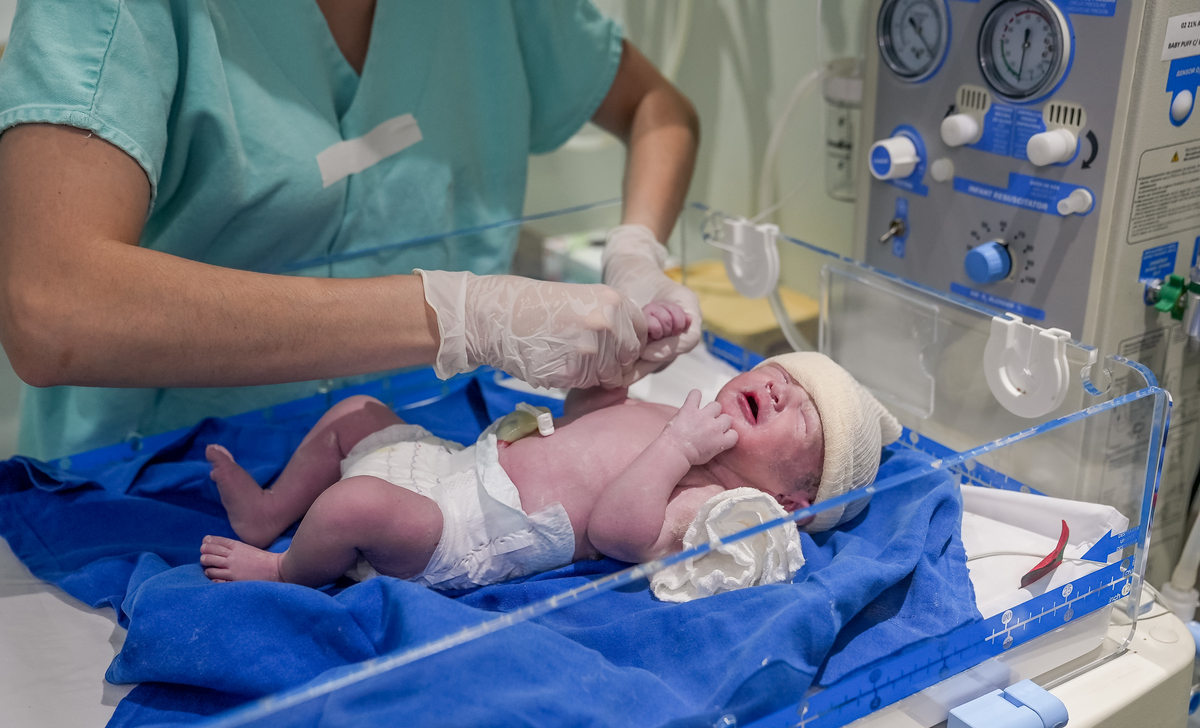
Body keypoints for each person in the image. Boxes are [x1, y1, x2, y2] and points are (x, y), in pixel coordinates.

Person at [0, 0, 702, 461]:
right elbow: (52, 307)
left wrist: (636, 250)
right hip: (156, 476)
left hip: (430, 447)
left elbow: (658, 108)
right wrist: (463, 315)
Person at [199, 321, 903, 590]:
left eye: (802, 415)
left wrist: (675, 451)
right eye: (782, 376)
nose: (780, 391)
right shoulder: (676, 417)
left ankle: (286, 570)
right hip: (457, 466)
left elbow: (618, 532)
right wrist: (610, 380)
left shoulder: (712, 500)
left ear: (790, 501)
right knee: (357, 413)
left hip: (465, 529)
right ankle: (268, 513)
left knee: (353, 506)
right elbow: (585, 426)